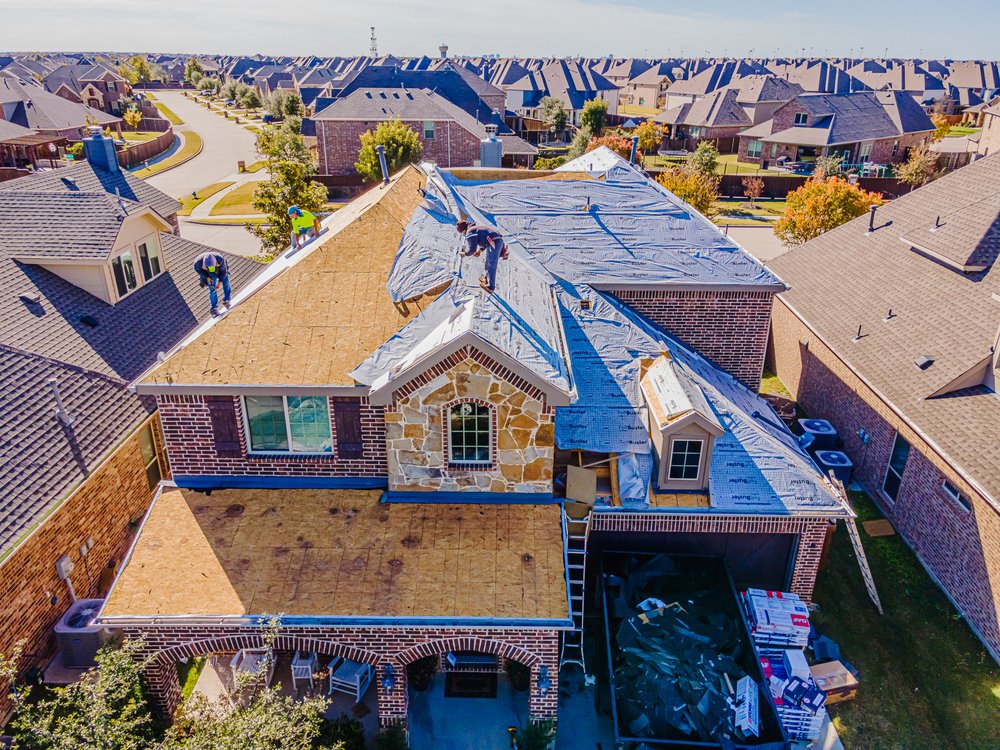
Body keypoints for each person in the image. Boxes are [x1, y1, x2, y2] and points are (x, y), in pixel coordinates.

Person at [456, 220, 508, 292]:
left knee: (491, 263)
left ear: (464, 230)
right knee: (488, 262)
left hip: (495, 242)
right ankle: (487, 279)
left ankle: (490, 287)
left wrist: (465, 253)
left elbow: (472, 249)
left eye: (462, 232)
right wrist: (479, 251)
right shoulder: (475, 228)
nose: (463, 234)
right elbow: (485, 243)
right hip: (496, 241)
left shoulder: (470, 231)